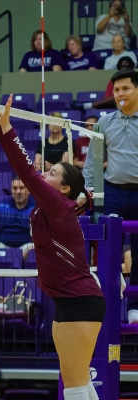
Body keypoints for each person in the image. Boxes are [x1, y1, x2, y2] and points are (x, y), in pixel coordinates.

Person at [0, 90, 105, 400]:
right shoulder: (57, 207)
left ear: (63, 188)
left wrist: (4, 127)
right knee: (80, 382)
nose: (44, 173)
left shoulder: (57, 205)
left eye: (52, 173)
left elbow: (24, 170)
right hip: (70, 301)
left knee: (76, 384)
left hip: (80, 301)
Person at [83, 69, 138, 324]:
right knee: (108, 251)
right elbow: (94, 162)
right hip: (113, 192)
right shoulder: (104, 122)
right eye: (116, 90)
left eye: (125, 88)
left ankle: (135, 306)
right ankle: (110, 304)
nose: (120, 94)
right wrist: (86, 192)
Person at [0, 177, 35, 259]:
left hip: (26, 247)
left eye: (22, 188)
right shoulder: (2, 206)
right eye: (15, 188)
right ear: (11, 190)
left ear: (28, 190)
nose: (18, 191)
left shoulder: (35, 208)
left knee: (33, 250)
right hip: (2, 246)